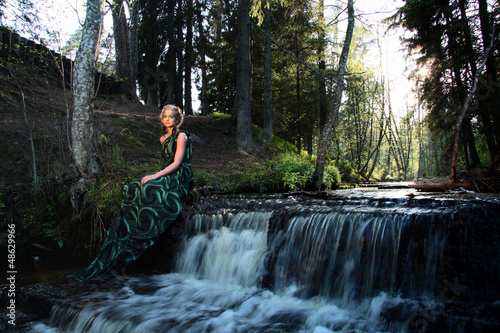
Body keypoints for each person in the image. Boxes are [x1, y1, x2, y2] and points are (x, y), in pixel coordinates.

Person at [67, 105, 194, 282]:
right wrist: (153, 176)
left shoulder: (181, 135)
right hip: (165, 172)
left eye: (171, 117)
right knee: (135, 187)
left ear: (177, 119)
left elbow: (177, 163)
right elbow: (165, 164)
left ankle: (145, 232)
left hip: (180, 175)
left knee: (153, 190)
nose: (167, 120)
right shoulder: (162, 138)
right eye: (164, 116)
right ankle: (128, 233)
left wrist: (155, 176)